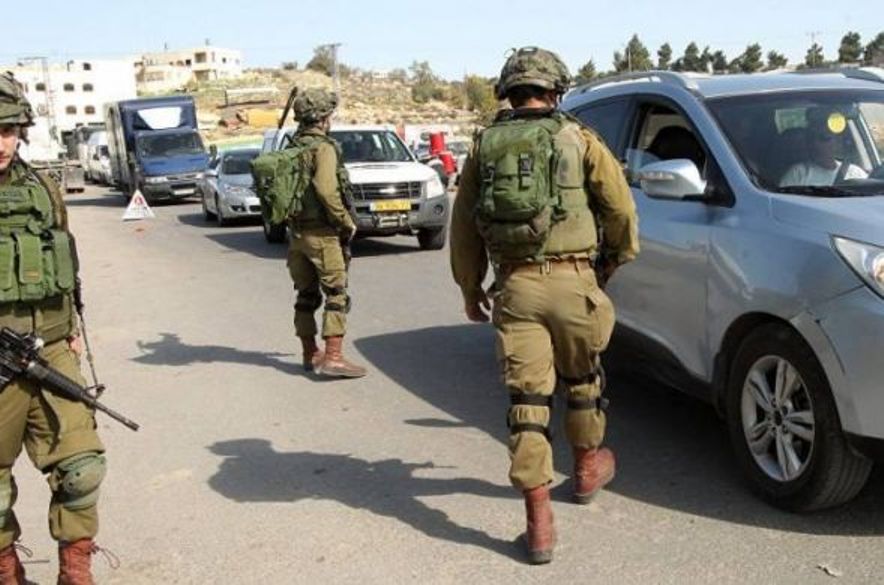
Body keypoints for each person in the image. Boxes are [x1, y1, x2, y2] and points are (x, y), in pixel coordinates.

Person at [450, 47, 639, 564]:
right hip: (575, 281)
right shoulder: (579, 137)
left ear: (508, 92)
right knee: (583, 382)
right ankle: (586, 471)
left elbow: (463, 227)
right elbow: (621, 211)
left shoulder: (484, 146)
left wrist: (470, 287)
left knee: (528, 403)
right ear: (555, 90)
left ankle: (539, 525)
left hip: (515, 288)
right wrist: (611, 263)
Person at [0, 72, 106, 584]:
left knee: (83, 468)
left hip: (50, 347)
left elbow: (66, 258)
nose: (0, 144)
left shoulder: (42, 187)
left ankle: (75, 573)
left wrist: (74, 327)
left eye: (6, 131)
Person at [287, 88, 366, 378]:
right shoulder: (323, 148)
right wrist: (345, 221)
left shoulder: (291, 147)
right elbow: (326, 189)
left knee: (305, 296)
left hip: (296, 235)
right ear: (322, 118)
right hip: (321, 233)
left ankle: (310, 353)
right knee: (336, 294)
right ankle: (333, 356)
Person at [779, 107, 868, 187]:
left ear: (838, 142)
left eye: (824, 138)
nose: (815, 143)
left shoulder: (856, 174)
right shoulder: (799, 174)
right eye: (811, 138)